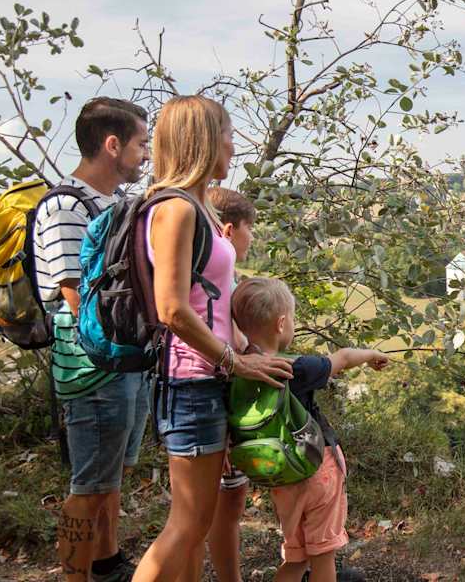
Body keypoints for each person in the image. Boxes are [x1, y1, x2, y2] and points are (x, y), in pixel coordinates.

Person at [131, 96, 293, 582]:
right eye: (226, 132)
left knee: (198, 522)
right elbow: (172, 308)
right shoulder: (176, 210)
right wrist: (235, 361)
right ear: (201, 140)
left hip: (207, 379)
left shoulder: (197, 206)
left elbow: (212, 299)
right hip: (191, 382)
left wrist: (245, 351)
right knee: (188, 523)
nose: (234, 143)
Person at [35, 97, 150, 582]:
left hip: (124, 362)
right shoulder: (66, 205)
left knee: (111, 477)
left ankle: (106, 563)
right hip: (92, 367)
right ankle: (75, 575)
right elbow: (75, 296)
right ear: (112, 144)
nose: (144, 155)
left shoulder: (111, 203)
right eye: (140, 144)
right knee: (89, 484)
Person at [229, 276, 389, 582]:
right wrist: (370, 356)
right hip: (318, 469)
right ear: (280, 324)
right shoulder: (297, 367)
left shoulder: (239, 370)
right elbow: (341, 358)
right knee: (322, 557)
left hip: (279, 475)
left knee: (296, 558)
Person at [200, 186, 258, 582]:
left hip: (216, 395)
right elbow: (231, 341)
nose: (252, 238)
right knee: (220, 508)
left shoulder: (210, 272)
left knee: (219, 507)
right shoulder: (219, 278)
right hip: (216, 396)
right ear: (229, 229)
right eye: (250, 229)